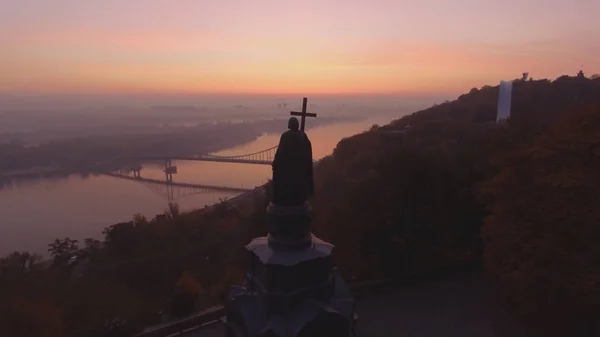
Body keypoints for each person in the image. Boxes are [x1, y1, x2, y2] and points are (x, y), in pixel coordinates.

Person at [271, 117, 314, 206]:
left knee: (286, 186)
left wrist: (275, 163)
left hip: (287, 170)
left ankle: (282, 197)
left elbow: (280, 153)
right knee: (297, 188)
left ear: (289, 125)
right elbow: (308, 152)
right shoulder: (303, 136)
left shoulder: (285, 136)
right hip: (300, 170)